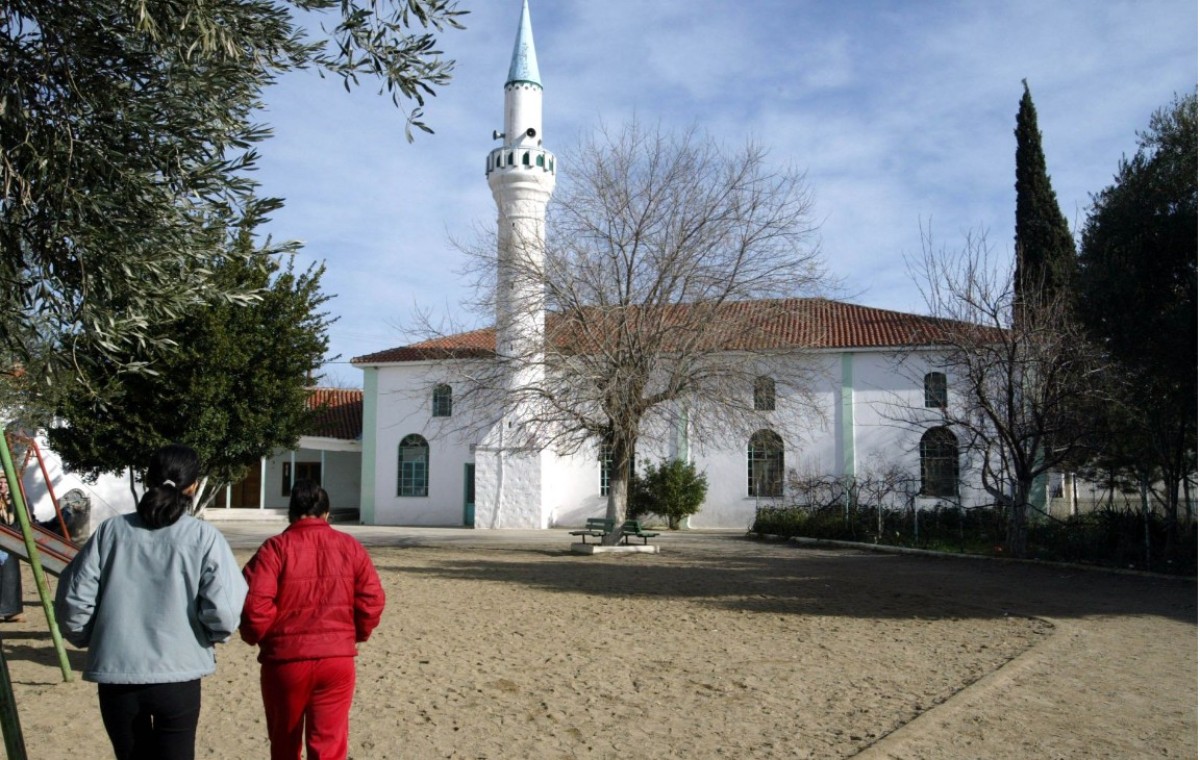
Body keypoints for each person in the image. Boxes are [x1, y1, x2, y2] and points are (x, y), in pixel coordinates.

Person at [54, 444, 247, 760]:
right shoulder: (203, 537)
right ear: (193, 486)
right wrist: (209, 637)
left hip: (117, 672)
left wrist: (87, 637)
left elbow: (74, 597)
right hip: (179, 674)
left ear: (147, 479)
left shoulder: (110, 532)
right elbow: (224, 609)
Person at [240, 480, 385, 760]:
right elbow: (372, 599)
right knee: (330, 746)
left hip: (285, 662)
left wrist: (260, 636)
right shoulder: (350, 547)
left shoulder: (275, 549)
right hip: (336, 660)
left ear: (290, 513)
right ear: (327, 513)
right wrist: (355, 634)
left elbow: (254, 605)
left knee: (284, 744)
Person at [0, 471, 24, 623]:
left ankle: (11, 611)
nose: (2, 485)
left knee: (10, 577)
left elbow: (20, 521)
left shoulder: (13, 500)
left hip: (9, 544)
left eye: (4, 482)